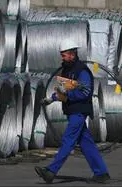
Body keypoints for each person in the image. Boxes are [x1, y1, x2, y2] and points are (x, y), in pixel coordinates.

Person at [35, 39, 110, 184]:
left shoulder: (82, 71)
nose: (62, 58)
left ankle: (51, 171)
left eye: (64, 55)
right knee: (86, 143)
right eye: (61, 55)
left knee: (68, 140)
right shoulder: (68, 71)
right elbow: (66, 91)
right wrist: (52, 98)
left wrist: (67, 94)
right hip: (72, 111)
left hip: (79, 112)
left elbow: (85, 93)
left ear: (72, 54)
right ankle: (101, 173)